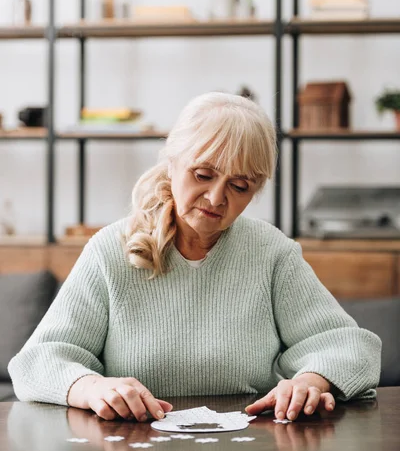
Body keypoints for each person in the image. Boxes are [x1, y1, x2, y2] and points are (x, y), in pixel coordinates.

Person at [8, 92, 381, 423]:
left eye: (239, 186)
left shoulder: (271, 252)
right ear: (171, 164)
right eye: (203, 174)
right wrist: (89, 387)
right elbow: (36, 363)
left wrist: (308, 382)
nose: (217, 198)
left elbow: (352, 346)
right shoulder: (110, 250)